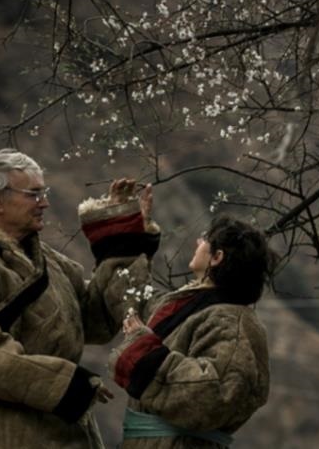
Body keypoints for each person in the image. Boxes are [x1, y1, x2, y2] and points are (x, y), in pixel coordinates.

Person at [0, 149, 158, 449]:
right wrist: (63, 385)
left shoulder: (51, 263)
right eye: (33, 194)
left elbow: (99, 321)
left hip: (65, 431)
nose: (45, 203)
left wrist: (123, 235)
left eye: (44, 192)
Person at [88, 183, 271, 449]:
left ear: (217, 257)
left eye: (205, 238)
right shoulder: (189, 304)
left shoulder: (234, 321)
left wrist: (144, 353)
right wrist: (129, 225)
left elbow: (215, 396)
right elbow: (130, 298)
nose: (198, 241)